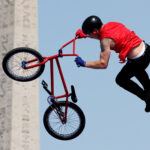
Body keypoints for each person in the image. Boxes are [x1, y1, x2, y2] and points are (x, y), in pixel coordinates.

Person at [75, 15, 150, 112]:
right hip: (146, 49)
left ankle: (147, 98)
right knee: (136, 70)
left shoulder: (104, 41)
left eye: (90, 35)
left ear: (94, 31)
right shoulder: (111, 24)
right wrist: (85, 35)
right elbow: (108, 35)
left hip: (139, 60)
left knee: (121, 79)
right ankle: (148, 92)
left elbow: (103, 64)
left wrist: (84, 63)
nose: (90, 37)